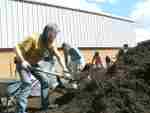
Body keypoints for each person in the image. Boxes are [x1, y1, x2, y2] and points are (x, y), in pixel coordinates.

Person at [14, 23, 68, 113]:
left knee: (45, 81)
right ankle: (20, 111)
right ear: (48, 33)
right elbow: (16, 48)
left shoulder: (50, 43)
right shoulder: (33, 38)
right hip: (23, 63)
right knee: (27, 84)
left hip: (34, 65)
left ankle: (45, 106)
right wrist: (23, 61)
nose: (55, 37)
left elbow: (59, 56)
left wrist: (65, 69)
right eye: (55, 34)